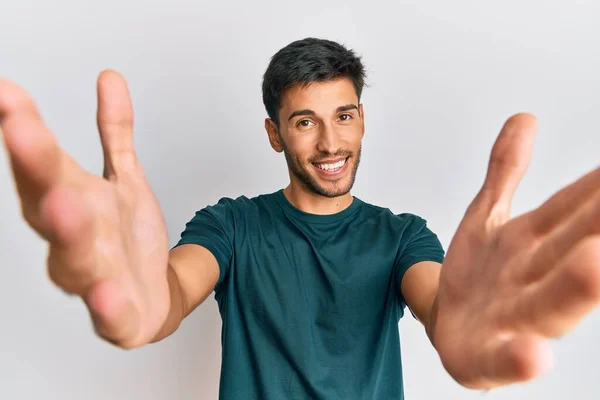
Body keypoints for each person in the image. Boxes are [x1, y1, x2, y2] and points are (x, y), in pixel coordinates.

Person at [1, 37, 599, 400]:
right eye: (306, 121)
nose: (331, 142)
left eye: (344, 115)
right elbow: (173, 289)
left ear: (362, 119)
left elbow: (442, 306)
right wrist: (142, 305)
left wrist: (464, 328)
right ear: (274, 134)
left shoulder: (402, 237)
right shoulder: (232, 226)